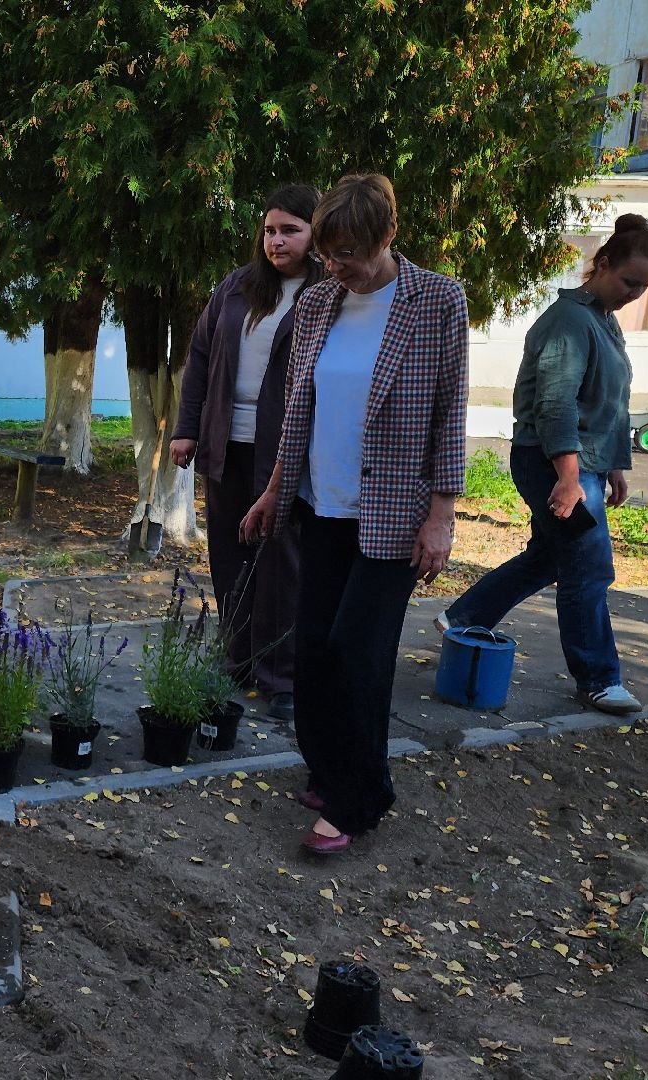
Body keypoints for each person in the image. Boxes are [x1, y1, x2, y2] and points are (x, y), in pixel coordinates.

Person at [241, 173, 468, 856]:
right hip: (323, 503)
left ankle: (358, 798)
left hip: (395, 512)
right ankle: (332, 764)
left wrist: (443, 516)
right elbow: (299, 411)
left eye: (353, 256)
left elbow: (450, 411)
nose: (340, 268)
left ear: (389, 236)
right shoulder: (317, 304)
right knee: (311, 651)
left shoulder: (437, 301)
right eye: (331, 254)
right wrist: (275, 488)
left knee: (357, 656)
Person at [439, 216, 648, 716]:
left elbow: (608, 405)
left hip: (581, 463)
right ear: (601, 263)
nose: (635, 293)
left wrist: (614, 466)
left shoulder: (602, 320)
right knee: (589, 567)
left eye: (646, 286)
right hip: (552, 463)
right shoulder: (570, 320)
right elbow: (557, 405)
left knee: (548, 558)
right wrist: (569, 477)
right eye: (630, 281)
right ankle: (599, 680)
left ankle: (464, 616)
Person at [170, 184, 324, 723]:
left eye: (290, 230)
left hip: (287, 448)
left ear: (316, 233)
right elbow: (200, 357)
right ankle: (236, 661)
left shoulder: (328, 293)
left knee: (281, 559)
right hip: (226, 443)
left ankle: (281, 675)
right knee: (229, 555)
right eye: (269, 230)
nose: (276, 241)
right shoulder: (237, 288)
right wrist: (186, 429)